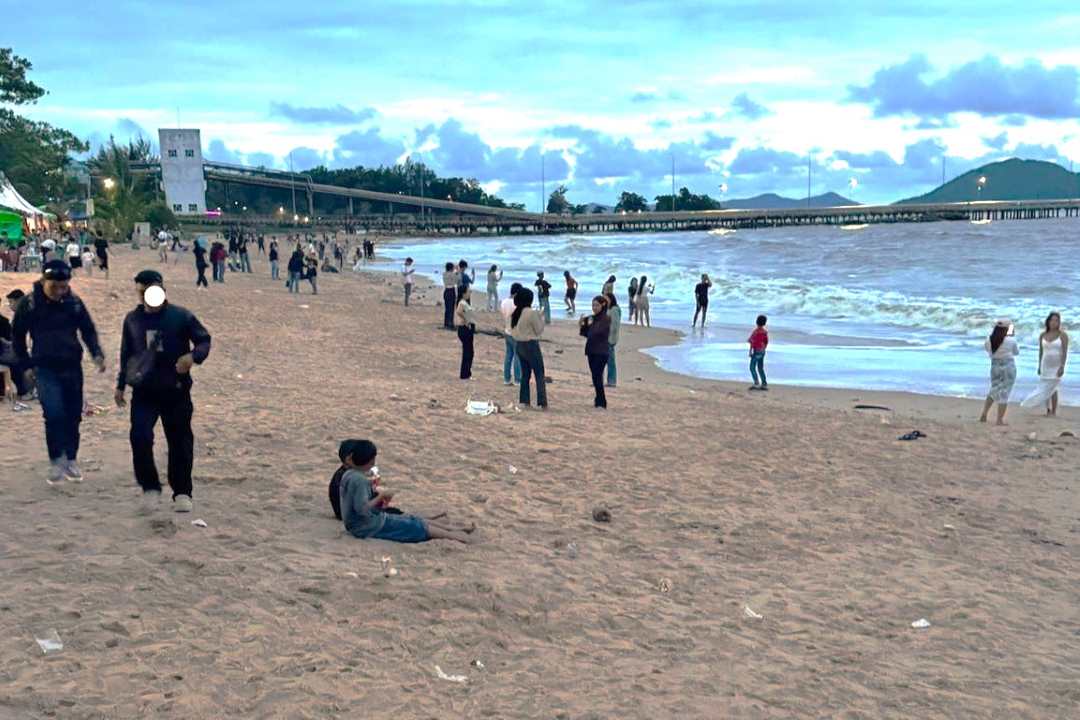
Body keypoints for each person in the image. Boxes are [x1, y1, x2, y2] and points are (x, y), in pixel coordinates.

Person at [115, 270, 212, 513]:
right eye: (140, 291)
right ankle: (150, 487)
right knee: (140, 437)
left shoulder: (180, 316)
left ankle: (181, 492)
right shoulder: (132, 320)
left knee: (179, 441)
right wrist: (120, 385)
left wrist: (193, 356)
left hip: (175, 390)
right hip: (144, 392)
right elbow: (126, 354)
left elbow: (204, 340)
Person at [12, 260, 106, 484]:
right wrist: (25, 365)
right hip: (44, 368)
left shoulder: (73, 303)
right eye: (54, 286)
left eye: (63, 286)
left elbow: (88, 330)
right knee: (53, 414)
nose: (59, 291)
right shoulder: (30, 304)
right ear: (44, 281)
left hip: (72, 366)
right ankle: (56, 459)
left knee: (73, 415)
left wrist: (96, 353)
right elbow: (17, 337)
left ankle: (70, 459)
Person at [339, 440, 475, 543]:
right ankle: (455, 536)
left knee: (410, 519)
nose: (374, 464)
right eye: (372, 461)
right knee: (415, 527)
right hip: (366, 527)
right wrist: (381, 496)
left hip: (362, 523)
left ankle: (453, 530)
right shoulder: (359, 480)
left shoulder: (349, 474)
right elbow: (361, 509)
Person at [1022, 312, 1069, 416]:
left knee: (1053, 387)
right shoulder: (1043, 335)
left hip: (1056, 365)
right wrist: (1039, 365)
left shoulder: (1063, 335)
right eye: (1052, 320)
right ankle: (1047, 409)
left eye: (1056, 320)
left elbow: (1065, 352)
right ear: (1048, 321)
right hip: (1045, 364)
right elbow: (1041, 352)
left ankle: (1054, 410)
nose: (1054, 323)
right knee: (1044, 387)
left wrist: (1062, 366)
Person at [511, 288, 547, 408]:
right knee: (539, 374)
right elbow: (539, 330)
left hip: (519, 344)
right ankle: (541, 402)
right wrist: (540, 316)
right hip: (531, 344)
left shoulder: (516, 312)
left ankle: (524, 401)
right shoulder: (531, 313)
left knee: (525, 374)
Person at [980, 320, 1019, 425]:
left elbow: (988, 351)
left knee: (994, 389)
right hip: (1008, 365)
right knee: (1005, 393)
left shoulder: (989, 339)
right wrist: (1012, 336)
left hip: (995, 365)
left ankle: (984, 413)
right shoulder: (1011, 340)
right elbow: (1016, 352)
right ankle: (999, 419)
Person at [580, 296, 611, 409]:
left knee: (597, 376)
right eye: (593, 305)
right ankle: (598, 399)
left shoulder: (606, 318)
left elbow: (597, 332)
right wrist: (582, 324)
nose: (594, 307)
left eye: (597, 305)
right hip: (591, 350)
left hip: (601, 351)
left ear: (602, 305)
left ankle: (601, 401)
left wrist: (589, 325)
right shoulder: (591, 318)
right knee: (595, 376)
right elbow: (585, 333)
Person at [500, 283, 523, 386]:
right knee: (517, 356)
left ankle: (506, 378)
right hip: (516, 332)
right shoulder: (517, 304)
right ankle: (517, 379)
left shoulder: (504, 302)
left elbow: (504, 315)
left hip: (507, 330)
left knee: (508, 355)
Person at [455, 287, 477, 380]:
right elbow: (459, 312)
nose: (470, 293)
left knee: (469, 351)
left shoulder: (465, 302)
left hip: (468, 328)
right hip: (464, 328)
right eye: (468, 292)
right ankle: (465, 374)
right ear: (464, 293)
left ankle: (466, 373)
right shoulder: (462, 302)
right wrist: (466, 320)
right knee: (468, 352)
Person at [748, 314, 769, 391]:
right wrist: (763, 348)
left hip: (756, 351)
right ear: (764, 323)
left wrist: (750, 351)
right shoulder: (765, 332)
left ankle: (756, 382)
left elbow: (752, 342)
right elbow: (766, 342)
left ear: (756, 322)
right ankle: (764, 383)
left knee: (752, 367)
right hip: (762, 351)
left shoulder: (756, 332)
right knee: (760, 367)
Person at [605, 292, 621, 388]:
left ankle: (612, 381)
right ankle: (607, 380)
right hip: (605, 337)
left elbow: (615, 325)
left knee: (610, 361)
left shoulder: (614, 309)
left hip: (610, 338)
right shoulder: (608, 309)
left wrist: (610, 337)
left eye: (606, 298)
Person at [442, 262, 458, 329]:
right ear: (451, 268)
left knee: (447, 308)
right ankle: (450, 323)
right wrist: (457, 271)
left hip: (446, 290)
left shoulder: (444, 274)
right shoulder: (452, 274)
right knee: (451, 308)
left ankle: (446, 323)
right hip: (451, 290)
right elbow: (456, 281)